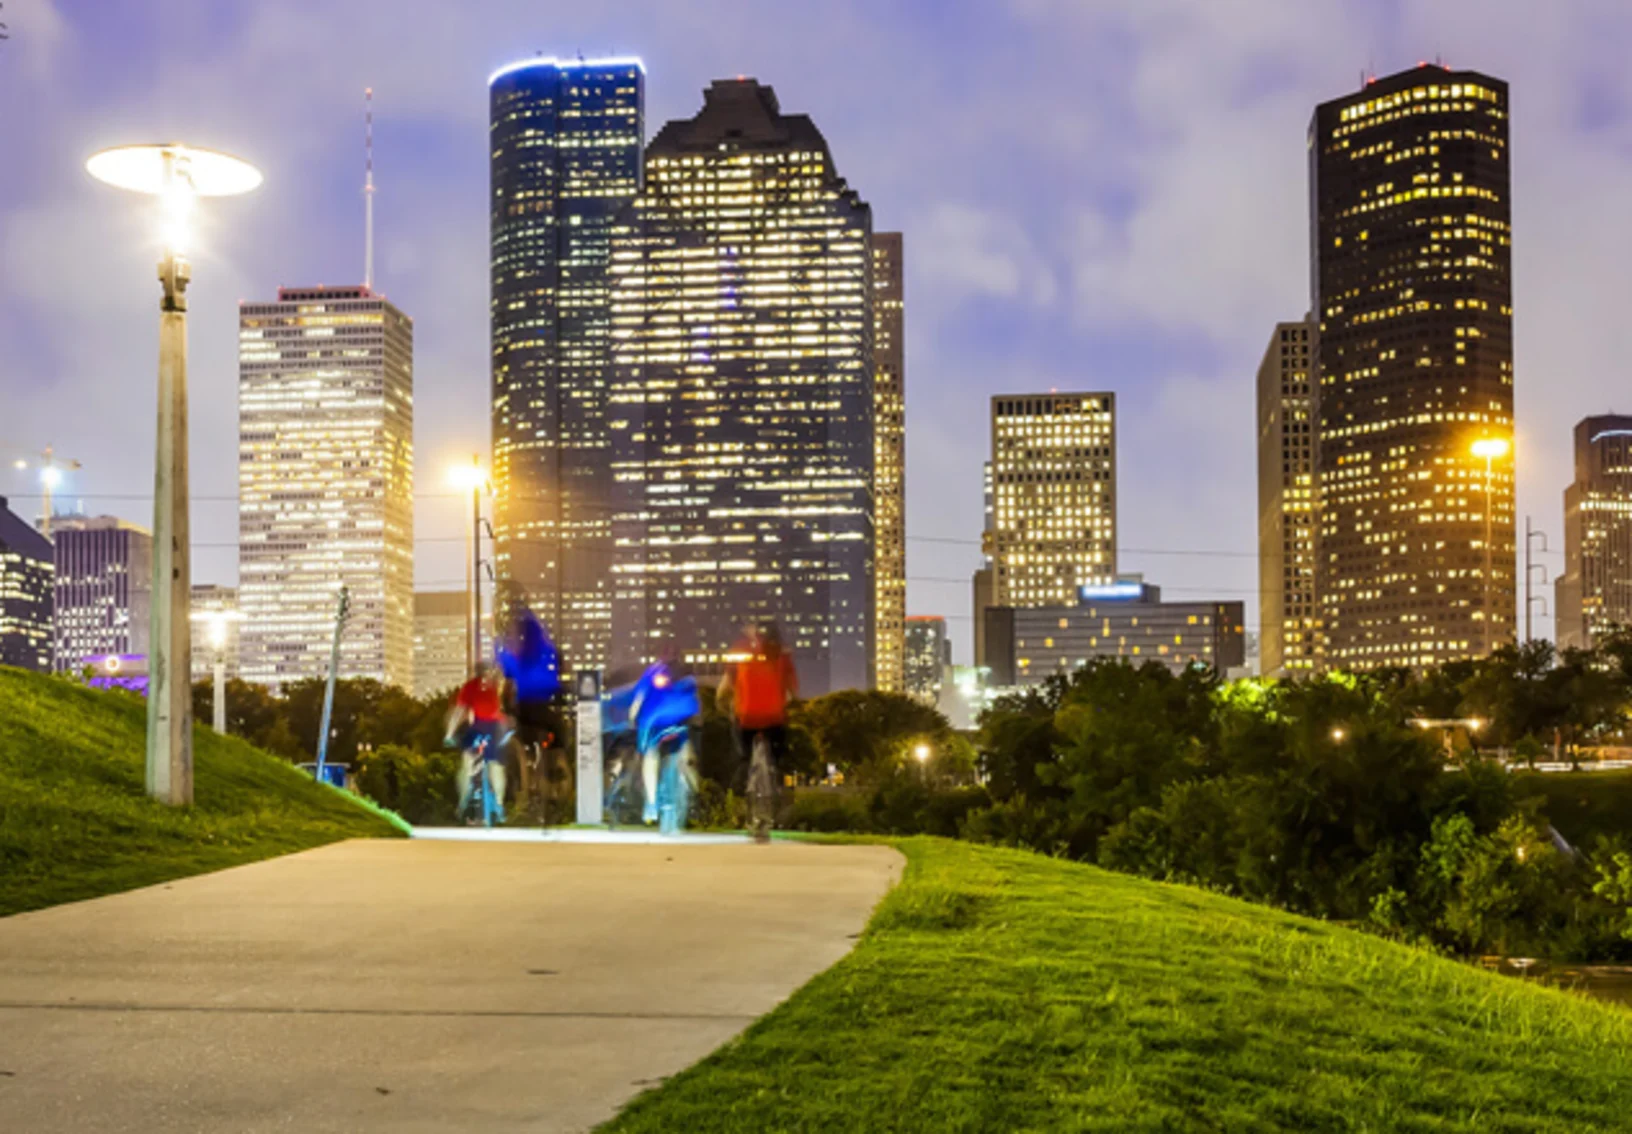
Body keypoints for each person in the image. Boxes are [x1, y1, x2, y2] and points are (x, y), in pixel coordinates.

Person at [718, 621, 798, 842]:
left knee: (744, 758)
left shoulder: (741, 655)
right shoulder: (782, 657)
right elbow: (792, 691)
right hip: (774, 718)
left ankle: (742, 797)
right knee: (777, 758)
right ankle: (776, 784)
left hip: (746, 718)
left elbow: (723, 690)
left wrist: (724, 706)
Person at [496, 610, 563, 819]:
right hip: (541, 707)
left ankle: (531, 766)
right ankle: (554, 769)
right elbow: (555, 676)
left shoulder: (514, 655)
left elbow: (507, 682)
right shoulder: (546, 651)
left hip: (522, 709)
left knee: (519, 737)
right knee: (561, 730)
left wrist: (506, 708)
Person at [629, 655, 700, 830]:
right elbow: (695, 704)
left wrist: (632, 719)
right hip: (679, 722)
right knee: (687, 755)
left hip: (653, 723)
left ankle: (651, 804)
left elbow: (637, 702)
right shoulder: (687, 676)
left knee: (650, 755)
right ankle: (695, 796)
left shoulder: (652, 672)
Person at [448, 663, 506, 823]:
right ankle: (500, 803)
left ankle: (462, 801)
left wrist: (450, 734)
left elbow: (459, 712)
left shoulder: (470, 687)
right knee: (495, 764)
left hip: (478, 726)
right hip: (496, 727)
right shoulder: (495, 685)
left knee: (466, 762)